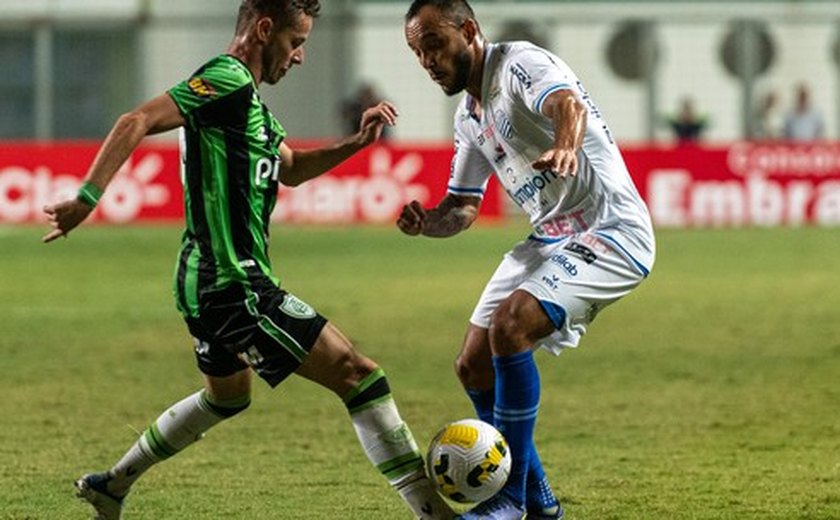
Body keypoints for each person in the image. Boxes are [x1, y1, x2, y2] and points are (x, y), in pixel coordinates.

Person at [43, 2, 453, 519]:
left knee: (227, 397)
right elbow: (138, 119)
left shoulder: (249, 104)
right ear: (264, 30)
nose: (299, 56)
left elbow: (294, 168)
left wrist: (356, 142)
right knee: (359, 375)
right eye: (295, 41)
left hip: (205, 284)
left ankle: (112, 485)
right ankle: (434, 514)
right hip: (233, 284)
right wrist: (87, 197)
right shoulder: (226, 79)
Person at [400, 1, 656, 519]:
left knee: (511, 325)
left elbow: (567, 104)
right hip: (549, 238)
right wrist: (430, 221)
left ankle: (509, 496)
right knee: (471, 366)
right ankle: (539, 504)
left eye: (433, 44)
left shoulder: (519, 63)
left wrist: (565, 146)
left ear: (469, 31)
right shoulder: (469, 115)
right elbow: (464, 206)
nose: (427, 60)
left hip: (610, 228)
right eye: (416, 51)